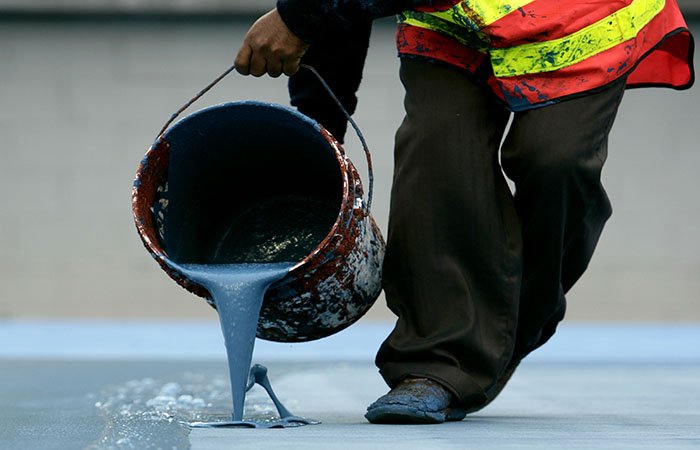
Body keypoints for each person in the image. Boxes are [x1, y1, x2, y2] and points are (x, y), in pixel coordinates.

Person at [234, 0, 695, 424]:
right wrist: (322, 131)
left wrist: (296, 16)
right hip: (452, 22)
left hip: (581, 20)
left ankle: (519, 317)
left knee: (555, 163)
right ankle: (436, 364)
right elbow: (341, 18)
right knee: (438, 151)